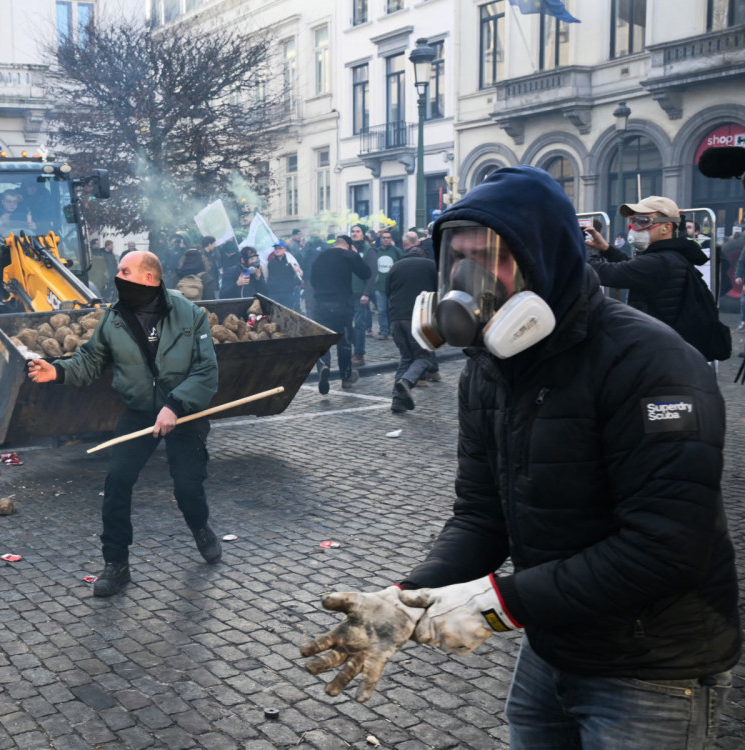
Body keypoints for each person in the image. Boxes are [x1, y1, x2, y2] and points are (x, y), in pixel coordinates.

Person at [298, 166, 739, 747]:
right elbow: (481, 517)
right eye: (455, 259)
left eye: (490, 256)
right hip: (553, 644)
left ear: (547, 259)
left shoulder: (652, 363)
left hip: (652, 666)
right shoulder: (487, 369)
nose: (468, 278)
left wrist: (495, 605)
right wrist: (404, 601)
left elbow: (665, 548)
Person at [26, 250, 221, 597]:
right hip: (140, 412)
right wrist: (58, 371)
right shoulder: (113, 320)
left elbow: (206, 372)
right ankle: (116, 564)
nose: (118, 276)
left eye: (124, 271)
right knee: (117, 479)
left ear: (148, 278)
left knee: (187, 487)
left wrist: (175, 405)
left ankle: (201, 527)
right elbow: (88, 360)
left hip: (185, 412)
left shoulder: (191, 316)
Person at [586, 196, 712, 342]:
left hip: (658, 343)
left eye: (643, 221)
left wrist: (580, 248)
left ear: (666, 227)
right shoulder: (669, 254)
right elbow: (632, 267)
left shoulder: (659, 260)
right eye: (633, 221)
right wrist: (606, 249)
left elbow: (609, 273)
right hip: (664, 337)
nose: (634, 228)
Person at [309, 235, 371, 393]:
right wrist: (355, 255)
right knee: (344, 342)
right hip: (341, 304)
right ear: (349, 246)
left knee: (323, 341)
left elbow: (312, 281)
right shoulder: (348, 255)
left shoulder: (320, 257)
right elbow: (366, 274)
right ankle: (345, 377)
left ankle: (323, 366)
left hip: (320, 305)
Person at [384, 242, 435, 413]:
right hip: (419, 317)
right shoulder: (430, 265)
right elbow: (439, 292)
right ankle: (406, 381)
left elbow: (387, 292)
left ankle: (397, 401)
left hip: (396, 317)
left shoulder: (395, 267)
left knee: (406, 357)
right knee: (424, 357)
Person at [349, 225, 378, 366]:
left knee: (359, 325)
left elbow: (372, 274)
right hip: (346, 293)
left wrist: (367, 293)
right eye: (353, 232)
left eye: (357, 232)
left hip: (360, 293)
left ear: (362, 234)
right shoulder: (346, 250)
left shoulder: (368, 251)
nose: (354, 234)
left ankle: (359, 353)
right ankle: (349, 349)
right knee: (347, 325)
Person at [372, 229, 401, 340]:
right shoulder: (376, 252)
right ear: (381, 239)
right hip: (379, 286)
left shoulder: (396, 252)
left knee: (392, 309)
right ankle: (384, 331)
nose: (386, 240)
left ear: (391, 239)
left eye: (388, 238)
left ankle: (394, 331)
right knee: (382, 310)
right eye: (384, 238)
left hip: (393, 286)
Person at [262, 241, 303, 310]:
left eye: (279, 248)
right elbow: (265, 277)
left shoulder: (291, 261)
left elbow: (300, 274)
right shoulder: (269, 263)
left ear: (284, 249)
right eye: (276, 249)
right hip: (274, 293)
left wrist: (297, 270)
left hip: (288, 293)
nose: (277, 250)